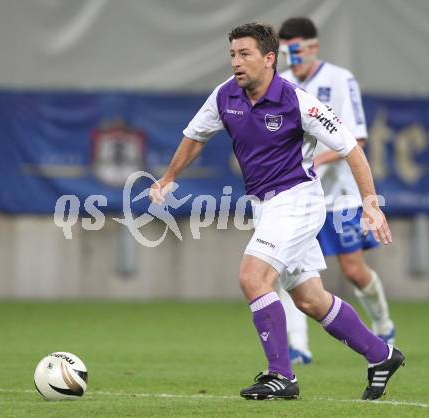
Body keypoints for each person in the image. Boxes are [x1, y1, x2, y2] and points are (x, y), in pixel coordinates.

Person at [149, 22, 404, 401]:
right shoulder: (224, 96)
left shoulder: (298, 101)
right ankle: (381, 355)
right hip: (265, 206)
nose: (236, 62)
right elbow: (195, 137)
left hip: (298, 201)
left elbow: (352, 147)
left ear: (269, 59)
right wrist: (167, 178)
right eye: (233, 54)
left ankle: (281, 376)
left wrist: (370, 205)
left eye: (245, 54)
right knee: (310, 299)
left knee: (253, 277)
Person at [277, 17, 396, 365]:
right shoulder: (279, 84)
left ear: (313, 46)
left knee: (353, 270)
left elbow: (355, 138)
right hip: (297, 196)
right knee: (287, 267)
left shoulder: (340, 80)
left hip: (340, 196)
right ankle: (298, 346)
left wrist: (313, 161)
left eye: (296, 48)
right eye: (286, 50)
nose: (292, 56)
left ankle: (383, 324)